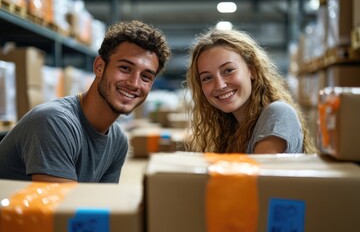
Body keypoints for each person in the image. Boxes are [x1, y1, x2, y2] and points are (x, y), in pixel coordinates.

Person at [0, 20, 171, 183]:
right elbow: (63, 210)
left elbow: (99, 204)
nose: (134, 83)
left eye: (146, 77)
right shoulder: (54, 123)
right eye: (125, 68)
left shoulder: (118, 141)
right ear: (99, 67)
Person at [184, 27, 316, 154]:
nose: (219, 85)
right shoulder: (232, 129)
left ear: (252, 70)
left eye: (228, 70)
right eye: (207, 78)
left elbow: (258, 176)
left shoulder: (278, 113)